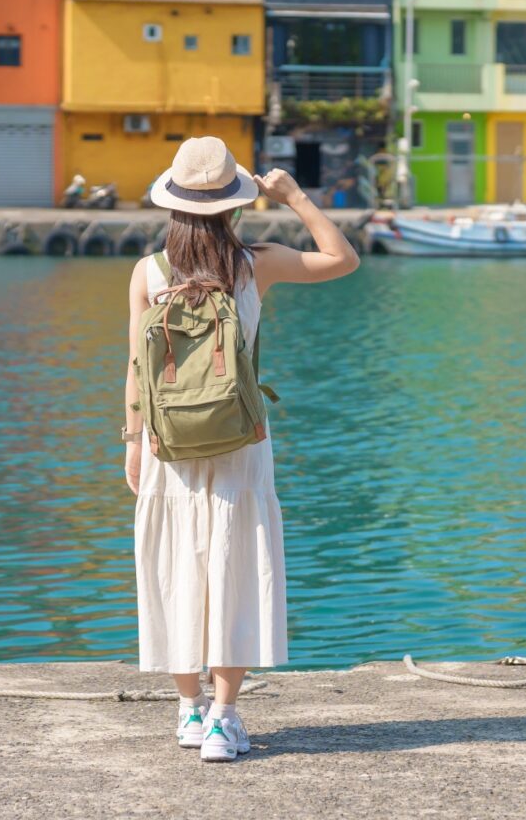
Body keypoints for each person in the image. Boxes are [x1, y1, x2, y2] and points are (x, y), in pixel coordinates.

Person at [123, 137, 359, 762]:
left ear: (173, 205)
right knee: (232, 565)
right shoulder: (257, 263)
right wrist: (293, 195)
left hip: (165, 440)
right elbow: (343, 259)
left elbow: (133, 368)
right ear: (235, 205)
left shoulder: (148, 272)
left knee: (175, 565)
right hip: (240, 441)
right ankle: (226, 719)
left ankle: (188, 711)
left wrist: (130, 442)